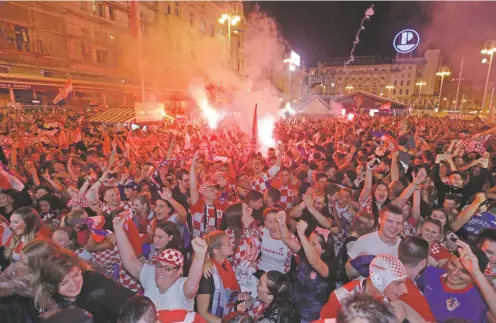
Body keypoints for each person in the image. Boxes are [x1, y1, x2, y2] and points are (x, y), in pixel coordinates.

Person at [24, 239, 134, 323]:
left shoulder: (98, 289)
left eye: (76, 275)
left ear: (80, 270)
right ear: (51, 287)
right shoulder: (48, 298)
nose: (73, 284)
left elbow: (135, 310)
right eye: (64, 283)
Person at [113, 214, 208, 311]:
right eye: (159, 265)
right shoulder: (150, 275)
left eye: (168, 268)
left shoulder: (181, 288)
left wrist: (200, 254)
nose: (161, 272)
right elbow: (129, 260)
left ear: (179, 271)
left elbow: (193, 282)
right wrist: (118, 229)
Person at [320, 254, 408, 321]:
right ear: (377, 280)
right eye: (398, 283)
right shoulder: (341, 297)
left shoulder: (395, 298)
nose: (405, 290)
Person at [345, 205, 403, 279]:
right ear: (380, 220)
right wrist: (360, 262)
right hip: (365, 289)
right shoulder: (364, 240)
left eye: (398, 223)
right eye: (390, 221)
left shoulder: (403, 247)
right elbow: (348, 272)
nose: (394, 226)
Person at [293, 220, 335, 323]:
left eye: (313, 244)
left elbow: (315, 263)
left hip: (311, 317)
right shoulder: (306, 253)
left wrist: (302, 236)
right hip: (295, 309)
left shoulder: (330, 265)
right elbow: (287, 239)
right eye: (308, 241)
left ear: (324, 249)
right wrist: (281, 223)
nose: (309, 246)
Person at [197, 230, 239, 322]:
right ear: (216, 251)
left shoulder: (227, 265)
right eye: (228, 244)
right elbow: (202, 313)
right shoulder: (208, 273)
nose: (232, 245)